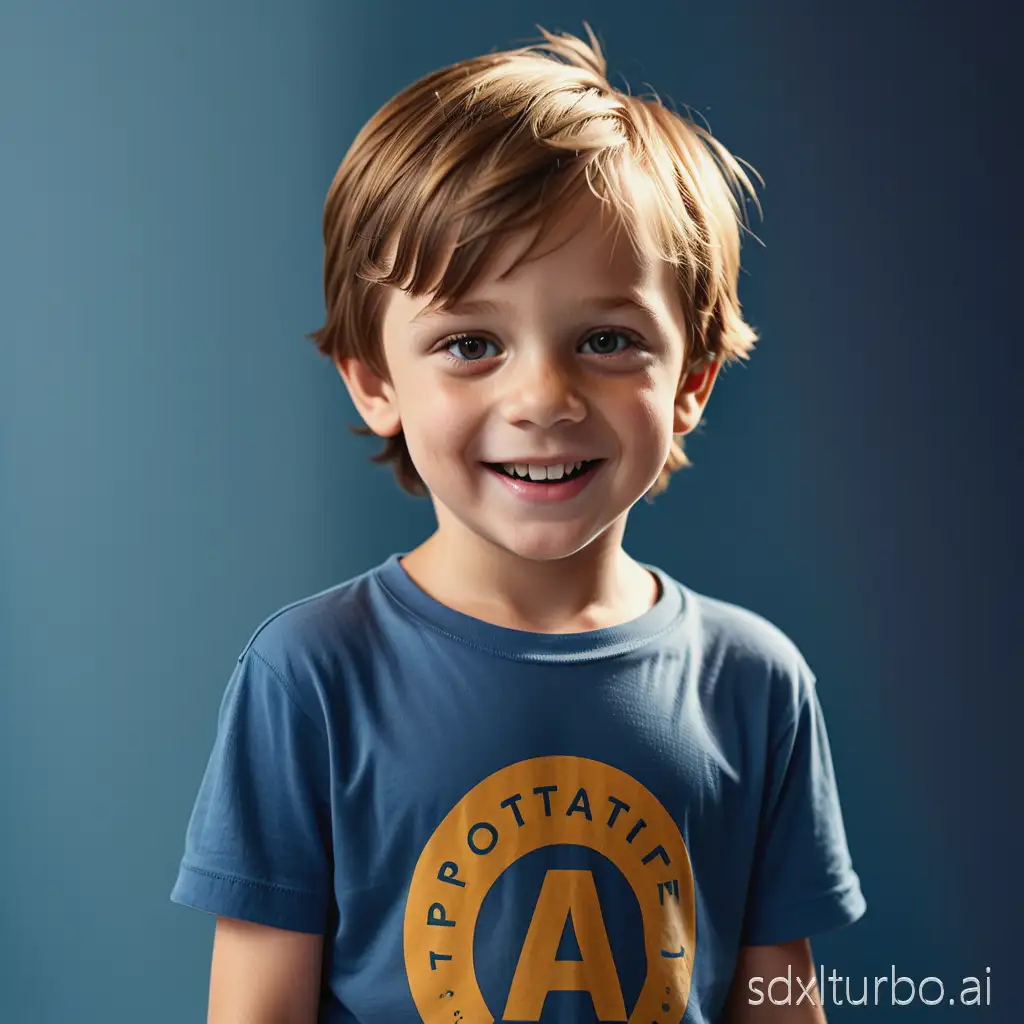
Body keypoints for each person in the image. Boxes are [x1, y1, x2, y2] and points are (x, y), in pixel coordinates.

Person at [170, 24, 866, 1023]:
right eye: (469, 342)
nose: (543, 395)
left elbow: (775, 998)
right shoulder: (309, 677)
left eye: (606, 340)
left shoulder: (754, 684)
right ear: (373, 382)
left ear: (692, 382)